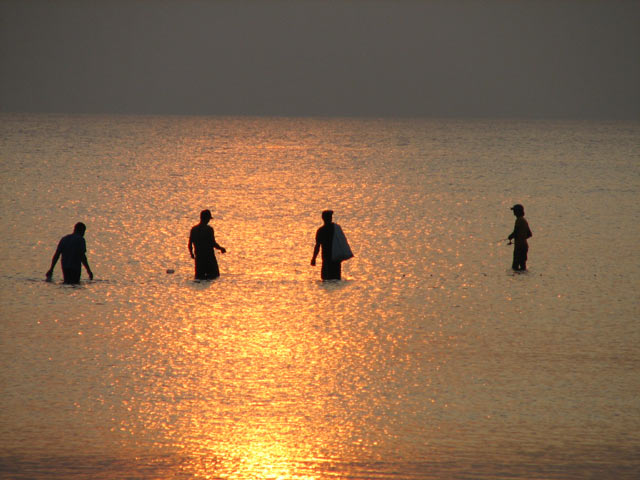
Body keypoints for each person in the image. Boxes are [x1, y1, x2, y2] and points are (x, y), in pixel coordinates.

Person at [311, 210, 352, 280]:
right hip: (336, 258)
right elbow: (342, 242)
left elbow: (317, 246)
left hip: (327, 259)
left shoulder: (321, 230)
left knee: (326, 279)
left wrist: (314, 258)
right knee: (336, 278)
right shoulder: (336, 228)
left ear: (322, 218)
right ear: (331, 218)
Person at [188, 209, 226, 280]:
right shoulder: (209, 229)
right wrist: (221, 248)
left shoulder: (194, 229)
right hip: (209, 258)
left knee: (199, 277)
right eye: (209, 219)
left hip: (199, 259)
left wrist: (192, 254)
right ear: (207, 218)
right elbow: (213, 243)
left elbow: (190, 244)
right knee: (214, 276)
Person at [508, 204, 533, 271]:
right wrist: (522, 238)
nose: (514, 212)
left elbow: (515, 232)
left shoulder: (518, 220)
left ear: (518, 212)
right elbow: (530, 234)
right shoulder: (524, 220)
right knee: (523, 266)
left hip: (519, 247)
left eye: (515, 211)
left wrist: (510, 236)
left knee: (515, 267)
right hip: (524, 246)